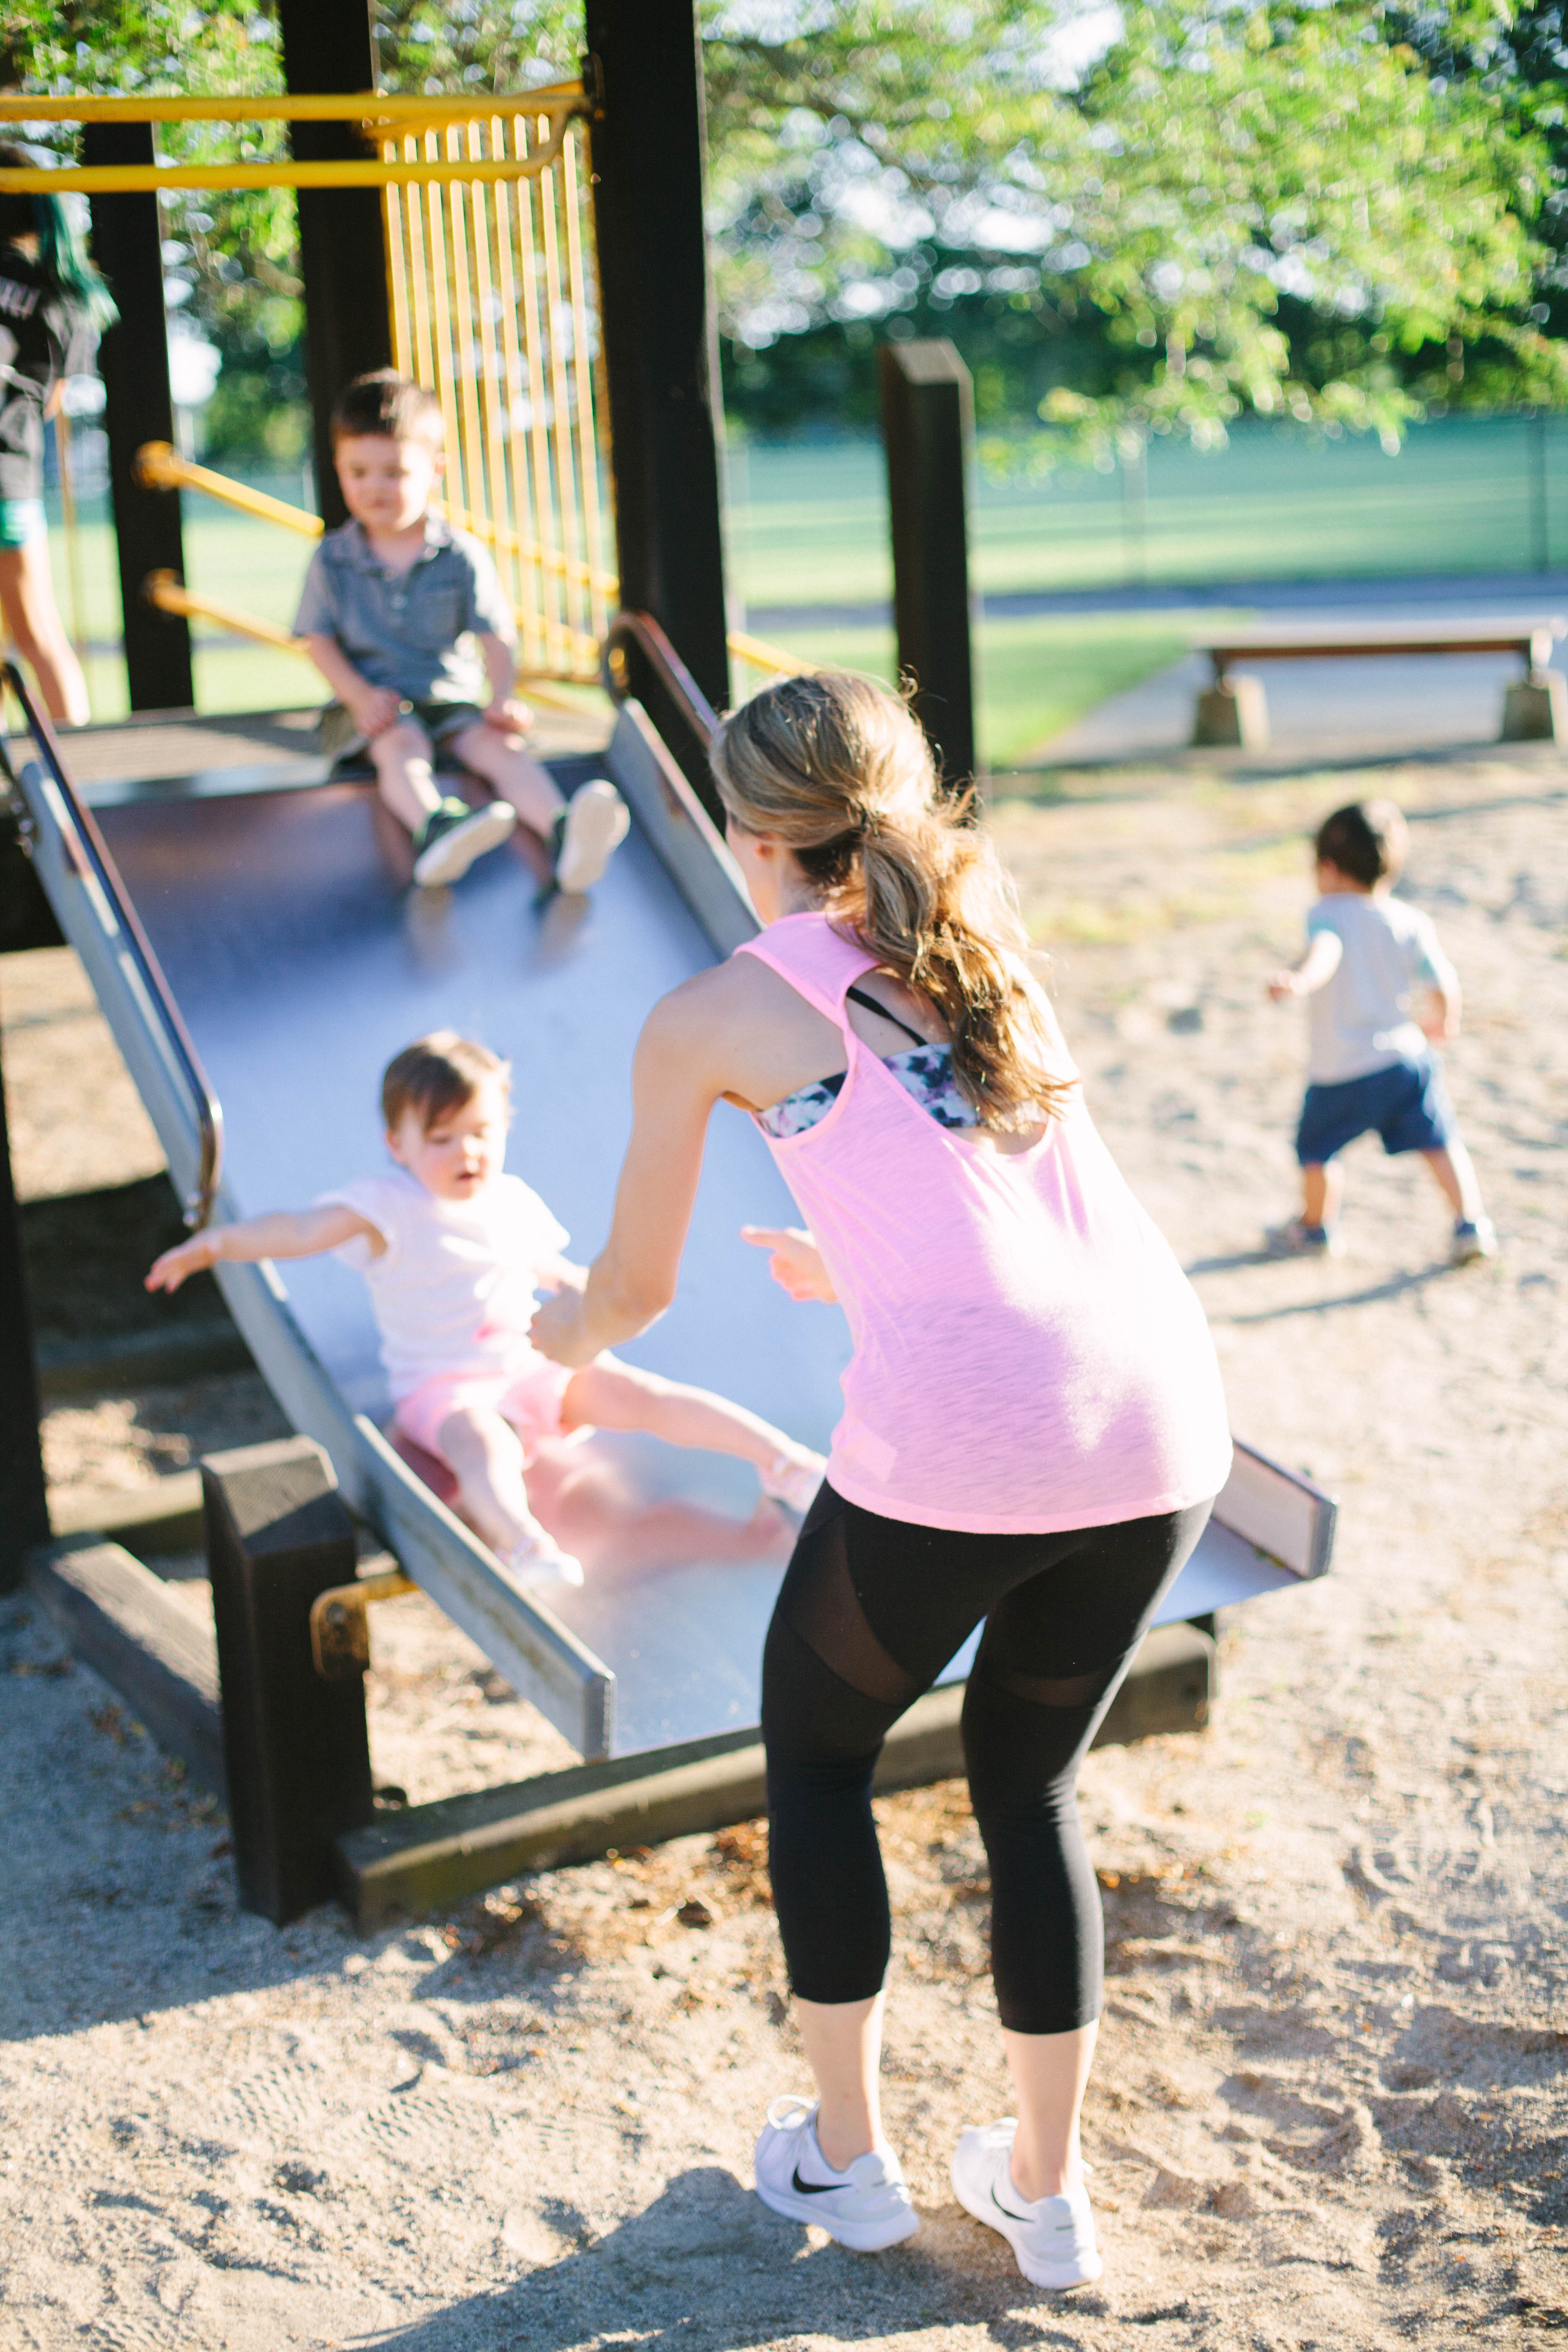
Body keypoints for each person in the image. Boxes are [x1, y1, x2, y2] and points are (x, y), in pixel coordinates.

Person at [530, 671, 1233, 2288]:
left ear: (737, 824)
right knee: (1028, 1778)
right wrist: (860, 1276)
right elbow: (1003, 1200)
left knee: (821, 1746)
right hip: (1160, 1416)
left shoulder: (715, 1007)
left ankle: (845, 2161)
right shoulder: (976, 937)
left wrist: (558, 1326)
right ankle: (1044, 2195)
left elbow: (627, 1294)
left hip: (976, 1434)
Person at [146, 1031, 824, 1586]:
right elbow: (295, 1231)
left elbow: (556, 1273)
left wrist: (593, 1306)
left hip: (528, 1365)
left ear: (503, 1128)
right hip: (445, 1388)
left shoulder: (512, 1199)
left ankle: (783, 1463)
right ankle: (525, 1543)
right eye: (440, 1138)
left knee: (642, 1394)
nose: (464, 1152)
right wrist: (216, 1246)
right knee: (483, 1446)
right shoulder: (386, 1206)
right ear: (398, 1145)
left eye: (479, 1132)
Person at [295, 370, 629, 893]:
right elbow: (317, 640)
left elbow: (495, 636)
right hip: (369, 711)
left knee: (497, 748)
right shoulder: (333, 558)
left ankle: (565, 833)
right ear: (338, 469)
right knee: (400, 743)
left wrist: (502, 699)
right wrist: (359, 697)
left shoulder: (460, 555)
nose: (373, 488)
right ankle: (437, 829)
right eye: (357, 472)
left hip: (449, 700)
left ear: (436, 471)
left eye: (394, 473)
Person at [1266, 798, 1494, 1265]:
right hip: (1405, 1061)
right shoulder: (1410, 919)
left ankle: (1315, 1230)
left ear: (1327, 867)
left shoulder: (1327, 914)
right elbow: (1442, 979)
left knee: (1317, 1149)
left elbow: (1325, 953)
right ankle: (1470, 1222)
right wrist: (1444, 1019)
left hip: (1342, 1069)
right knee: (1440, 1140)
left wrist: (1300, 979)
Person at [0, 147, 117, 727]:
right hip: (11, 477)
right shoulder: (67, 293)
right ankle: (82, 768)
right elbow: (52, 402)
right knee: (38, 629)